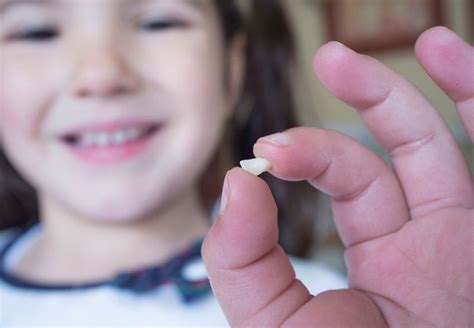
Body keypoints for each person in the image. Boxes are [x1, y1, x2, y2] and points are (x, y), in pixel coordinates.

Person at [0, 0, 472, 327]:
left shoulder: (337, 304)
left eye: (160, 21)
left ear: (231, 71)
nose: (101, 75)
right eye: (35, 31)